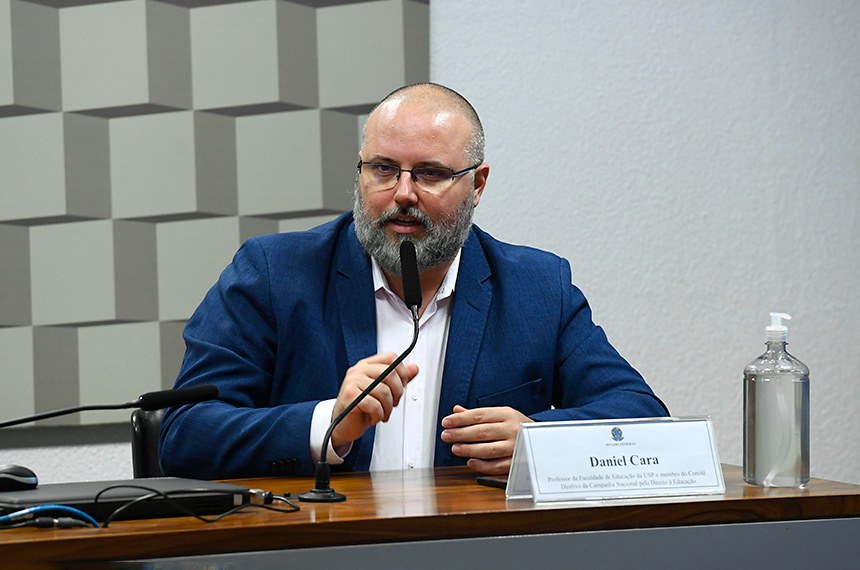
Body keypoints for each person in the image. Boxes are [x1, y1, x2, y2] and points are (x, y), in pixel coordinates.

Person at [159, 83, 668, 480]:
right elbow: (186, 435)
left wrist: (541, 441)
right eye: (383, 169)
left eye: (428, 174)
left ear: (478, 184)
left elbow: (642, 419)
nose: (403, 193)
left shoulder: (538, 287)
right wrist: (325, 424)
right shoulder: (274, 273)